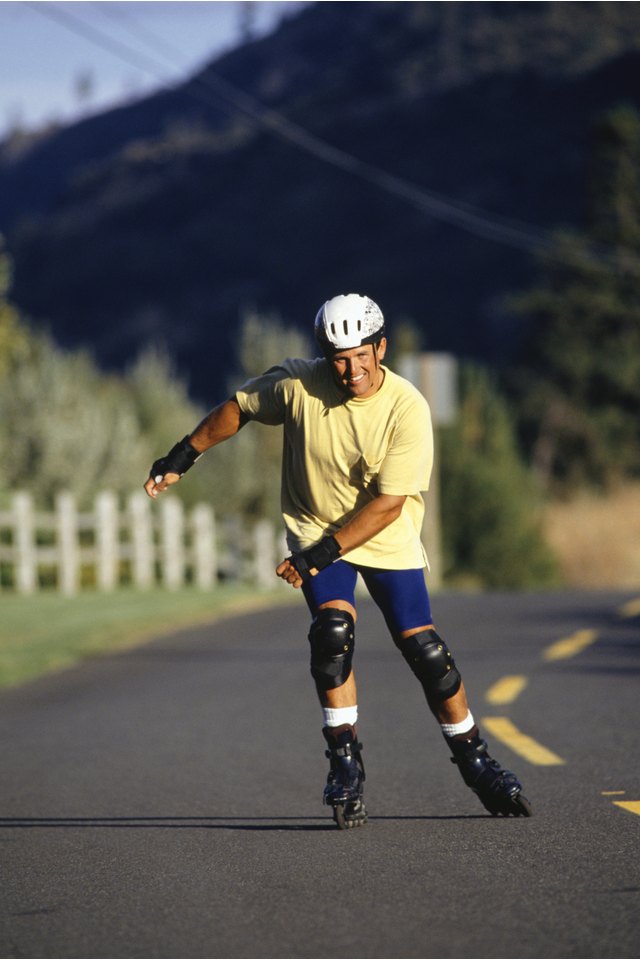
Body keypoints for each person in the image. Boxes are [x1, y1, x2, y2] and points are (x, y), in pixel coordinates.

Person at [144, 293, 532, 828]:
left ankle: (476, 762)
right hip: (314, 526)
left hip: (383, 534)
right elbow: (239, 409)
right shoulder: (298, 383)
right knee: (332, 634)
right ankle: (345, 763)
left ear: (381, 348)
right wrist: (182, 456)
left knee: (427, 653)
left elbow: (389, 505)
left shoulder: (406, 406)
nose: (350, 370)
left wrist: (319, 556)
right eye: (339, 358)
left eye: (361, 356)